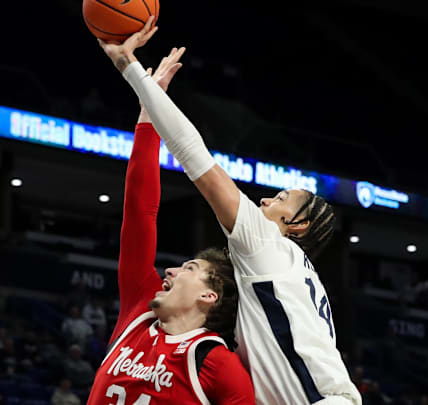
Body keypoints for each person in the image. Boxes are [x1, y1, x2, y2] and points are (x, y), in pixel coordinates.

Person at [98, 19, 361, 405]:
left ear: (297, 225)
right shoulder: (292, 279)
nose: (265, 201)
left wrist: (132, 71)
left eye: (281, 199)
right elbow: (139, 211)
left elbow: (193, 153)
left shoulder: (268, 244)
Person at [87, 52, 254, 404]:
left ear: (209, 296)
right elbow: (139, 213)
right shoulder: (138, 311)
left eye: (190, 268)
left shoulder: (217, 364)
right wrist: (150, 111)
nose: (171, 270)